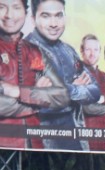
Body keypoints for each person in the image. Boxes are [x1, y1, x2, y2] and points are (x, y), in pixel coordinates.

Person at [25, 0, 99, 151]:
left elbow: (96, 91)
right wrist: (76, 89)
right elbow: (29, 100)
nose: (54, 23)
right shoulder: (23, 51)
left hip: (77, 139)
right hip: (42, 144)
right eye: (46, 16)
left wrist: (64, 91)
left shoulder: (69, 51)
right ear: (33, 19)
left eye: (59, 16)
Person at [0, 0, 67, 150]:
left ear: (26, 13)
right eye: (1, 8)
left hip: (35, 143)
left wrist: (18, 91)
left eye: (16, 8)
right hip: (4, 143)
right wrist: (37, 100)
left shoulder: (35, 51)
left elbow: (62, 96)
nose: (9, 15)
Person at [78, 34, 105, 152]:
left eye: (95, 49)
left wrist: (101, 100)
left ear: (100, 52)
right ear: (82, 51)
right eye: (88, 49)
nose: (92, 53)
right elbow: (86, 108)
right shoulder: (77, 74)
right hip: (85, 133)